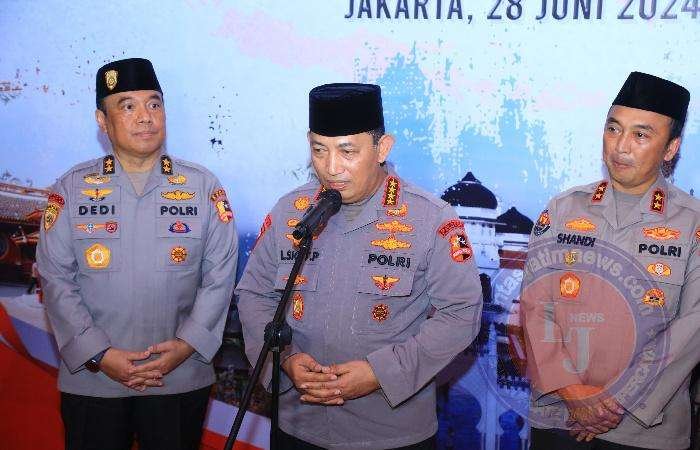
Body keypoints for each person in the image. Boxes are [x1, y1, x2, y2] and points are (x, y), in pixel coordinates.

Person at [236, 83, 483, 449]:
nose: (331, 167)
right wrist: (285, 360)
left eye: (347, 151)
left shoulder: (430, 218)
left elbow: (462, 313)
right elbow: (254, 294)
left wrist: (380, 373)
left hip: (390, 432)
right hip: (297, 424)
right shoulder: (290, 212)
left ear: (382, 148)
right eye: (319, 150)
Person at [36, 58, 238, 450]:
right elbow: (56, 278)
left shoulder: (201, 187)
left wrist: (186, 345)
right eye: (127, 106)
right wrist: (99, 354)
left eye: (154, 104)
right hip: (94, 379)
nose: (145, 116)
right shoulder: (72, 189)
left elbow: (220, 275)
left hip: (178, 377)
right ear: (102, 120)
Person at [521, 71, 698, 449]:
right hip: (559, 416)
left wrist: (614, 402)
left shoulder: (692, 223)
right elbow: (536, 307)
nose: (621, 146)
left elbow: (693, 326)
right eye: (613, 129)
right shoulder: (563, 209)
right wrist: (572, 392)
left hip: (646, 430)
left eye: (641, 135)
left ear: (671, 148)